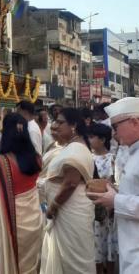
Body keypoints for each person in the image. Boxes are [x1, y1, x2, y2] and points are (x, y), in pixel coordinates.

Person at [0, 113, 42, 274]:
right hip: (34, 218)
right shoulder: (36, 159)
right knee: (30, 264)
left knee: (9, 261)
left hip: (9, 219)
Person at [87, 97, 139, 274]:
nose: (114, 135)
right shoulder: (133, 152)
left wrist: (115, 200)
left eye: (116, 128)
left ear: (134, 122)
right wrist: (115, 192)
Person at [40, 108, 96, 274]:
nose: (55, 125)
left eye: (60, 122)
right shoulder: (71, 146)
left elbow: (71, 183)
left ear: (74, 126)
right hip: (66, 211)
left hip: (70, 210)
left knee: (73, 260)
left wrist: (53, 207)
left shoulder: (77, 149)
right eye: (55, 121)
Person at [87, 123, 117, 274]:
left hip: (107, 209)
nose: (89, 139)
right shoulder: (87, 157)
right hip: (90, 208)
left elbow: (114, 182)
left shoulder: (112, 159)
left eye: (92, 137)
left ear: (103, 139)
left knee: (108, 247)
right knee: (95, 248)